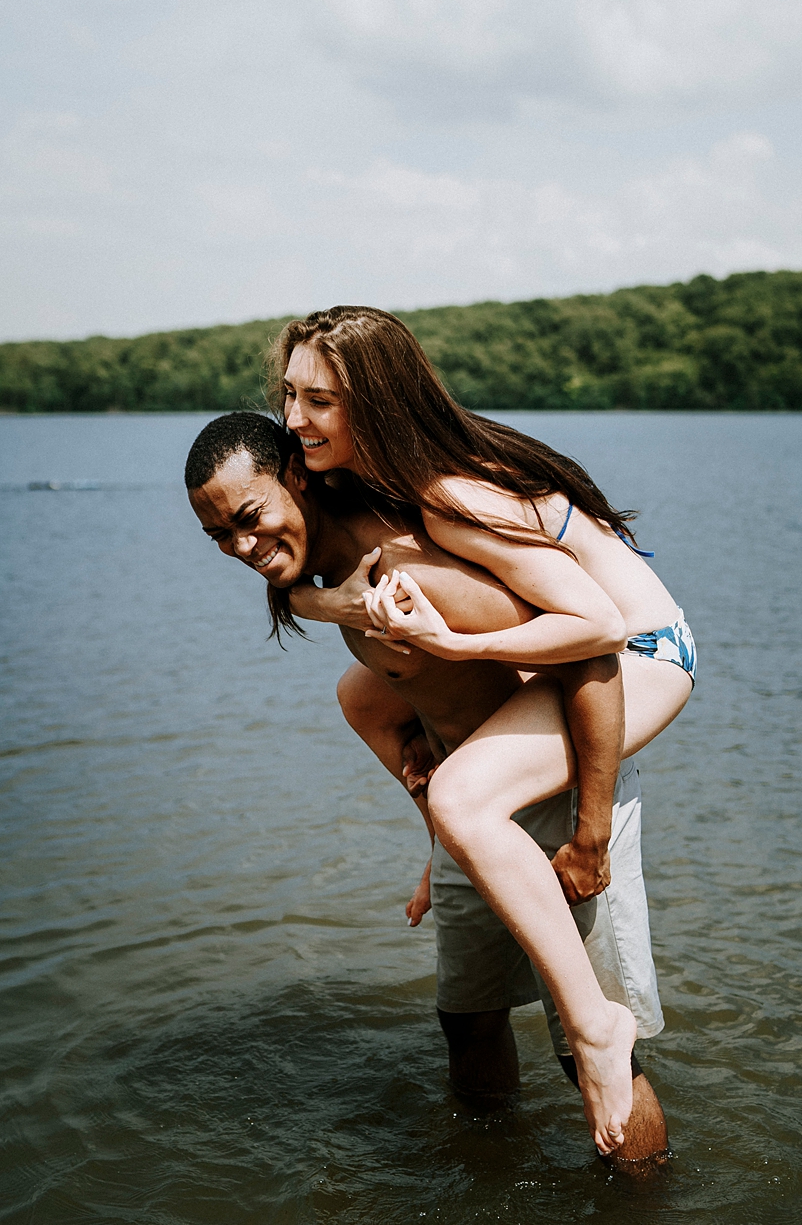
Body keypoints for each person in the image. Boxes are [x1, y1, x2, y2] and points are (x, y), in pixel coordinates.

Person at [184, 412, 671, 1163]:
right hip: (472, 816)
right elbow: (408, 695)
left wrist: (592, 828)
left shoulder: (414, 570)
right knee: (468, 1020)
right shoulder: (329, 578)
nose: (242, 548)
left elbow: (592, 658)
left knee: (593, 1053)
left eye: (249, 518)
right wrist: (437, 841)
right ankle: (490, 1178)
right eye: (220, 537)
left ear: (296, 475)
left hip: (556, 799)